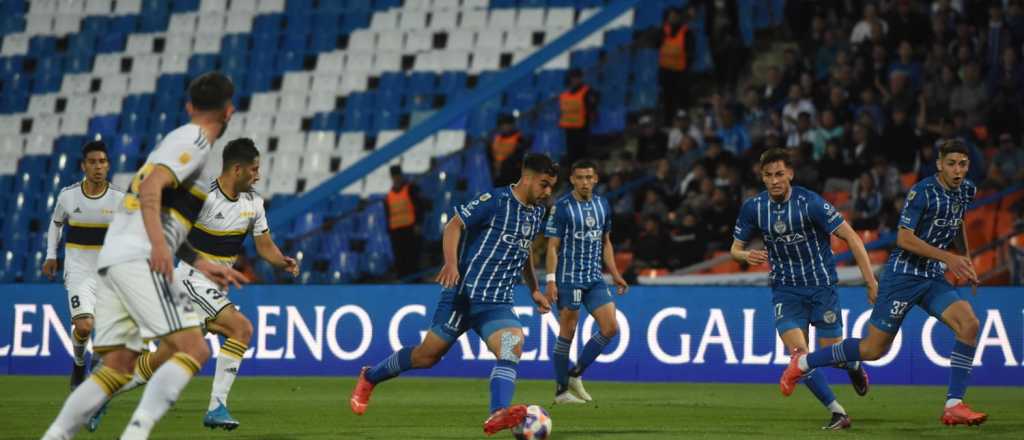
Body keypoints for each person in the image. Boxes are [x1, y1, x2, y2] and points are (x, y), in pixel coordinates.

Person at [42, 72, 248, 440]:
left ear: (189, 106)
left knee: (119, 365)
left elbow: (166, 209)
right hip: (139, 254)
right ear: (229, 110)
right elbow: (152, 187)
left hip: (117, 254)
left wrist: (198, 261)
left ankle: (56, 435)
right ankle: (135, 435)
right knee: (192, 347)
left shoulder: (184, 147)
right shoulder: (195, 140)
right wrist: (157, 246)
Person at [86, 138, 301, 432]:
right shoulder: (204, 198)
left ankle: (98, 395)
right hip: (190, 280)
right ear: (237, 169)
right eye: (254, 169)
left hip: (211, 288)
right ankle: (216, 407)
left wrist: (283, 261)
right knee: (242, 328)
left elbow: (264, 246)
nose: (258, 176)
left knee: (165, 358)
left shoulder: (254, 203)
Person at [781, 140, 987, 427]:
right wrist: (948, 258)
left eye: (962, 164)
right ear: (939, 164)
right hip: (903, 277)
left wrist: (965, 257)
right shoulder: (922, 192)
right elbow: (904, 238)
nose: (957, 170)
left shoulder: (966, 190)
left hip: (932, 277)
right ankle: (803, 363)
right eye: (951, 163)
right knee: (872, 350)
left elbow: (957, 221)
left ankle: (954, 405)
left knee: (970, 324)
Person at [350, 154, 559, 436]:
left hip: (496, 303)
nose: (548, 193)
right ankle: (370, 376)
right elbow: (453, 225)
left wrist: (533, 288)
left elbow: (523, 252)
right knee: (426, 357)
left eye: (551, 187)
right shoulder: (494, 201)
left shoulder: (536, 214)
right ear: (528, 177)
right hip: (462, 296)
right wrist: (450, 263)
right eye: (544, 185)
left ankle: (497, 412)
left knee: (512, 346)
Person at [732, 148, 877, 430]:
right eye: (768, 175)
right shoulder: (754, 208)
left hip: (822, 289)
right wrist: (745, 256)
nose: (774, 180)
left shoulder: (810, 203)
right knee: (799, 357)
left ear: (790, 174)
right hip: (786, 292)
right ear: (761, 177)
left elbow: (852, 238)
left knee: (833, 357)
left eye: (779, 174)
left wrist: (871, 282)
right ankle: (838, 413)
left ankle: (854, 366)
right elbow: (735, 250)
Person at [543, 159, 628, 404]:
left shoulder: (602, 205)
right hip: (569, 280)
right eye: (579, 178)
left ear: (596, 179)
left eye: (589, 178)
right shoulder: (561, 207)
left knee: (611, 327)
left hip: (594, 279)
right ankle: (561, 392)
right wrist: (550, 281)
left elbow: (606, 243)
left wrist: (615, 274)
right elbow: (552, 247)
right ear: (571, 179)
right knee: (567, 332)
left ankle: (575, 374)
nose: (584, 182)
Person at [43, 140, 125, 390]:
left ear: (108, 166)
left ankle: (97, 365)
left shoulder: (119, 199)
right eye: (92, 162)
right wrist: (50, 255)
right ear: (83, 166)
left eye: (102, 162)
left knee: (105, 330)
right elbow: (56, 223)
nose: (98, 167)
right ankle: (79, 363)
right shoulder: (68, 196)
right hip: (79, 271)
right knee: (84, 325)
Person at [658, 7, 695, 123]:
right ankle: (668, 122)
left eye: (675, 16)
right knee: (667, 100)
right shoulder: (662, 31)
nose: (673, 18)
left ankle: (683, 121)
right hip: (666, 73)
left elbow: (691, 53)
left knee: (682, 101)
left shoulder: (687, 32)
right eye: (671, 16)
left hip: (681, 73)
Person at [385, 165, 421, 278]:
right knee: (400, 258)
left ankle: (414, 279)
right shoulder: (389, 194)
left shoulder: (410, 189)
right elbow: (388, 213)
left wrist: (418, 223)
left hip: (409, 228)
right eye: (394, 176)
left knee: (411, 256)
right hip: (396, 230)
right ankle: (403, 278)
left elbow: (418, 207)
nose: (396, 178)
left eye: (398, 176)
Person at [559, 68, 599, 170]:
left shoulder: (587, 92)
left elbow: (592, 108)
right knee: (571, 157)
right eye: (573, 77)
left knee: (581, 157)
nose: (575, 80)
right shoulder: (565, 94)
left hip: (582, 129)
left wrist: (592, 116)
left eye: (577, 77)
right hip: (569, 130)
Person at [488, 114, 528, 187]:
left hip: (513, 174)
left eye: (506, 125)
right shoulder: (496, 138)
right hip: (498, 175)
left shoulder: (519, 137)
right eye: (502, 125)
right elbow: (491, 154)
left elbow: (520, 156)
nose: (504, 127)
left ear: (512, 125)